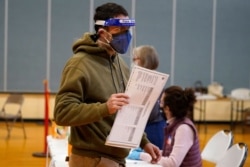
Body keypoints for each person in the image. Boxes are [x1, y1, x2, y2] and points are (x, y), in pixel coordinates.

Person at [53, 2, 160, 167]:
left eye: (127, 30)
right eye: (119, 30)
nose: (126, 36)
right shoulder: (79, 64)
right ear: (103, 33)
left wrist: (144, 141)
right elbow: (62, 113)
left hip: (116, 159)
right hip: (91, 159)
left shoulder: (120, 64)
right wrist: (104, 108)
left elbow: (127, 111)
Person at [126, 45, 166, 162]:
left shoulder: (151, 80)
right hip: (147, 126)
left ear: (144, 60)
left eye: (135, 59)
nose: (133, 62)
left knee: (153, 160)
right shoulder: (142, 78)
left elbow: (151, 113)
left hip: (152, 128)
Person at [158, 86, 202, 167]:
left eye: (160, 103)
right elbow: (169, 153)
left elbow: (173, 163)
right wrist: (150, 153)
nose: (160, 106)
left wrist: (143, 156)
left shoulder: (184, 129)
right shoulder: (175, 124)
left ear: (167, 108)